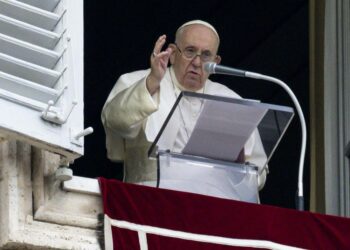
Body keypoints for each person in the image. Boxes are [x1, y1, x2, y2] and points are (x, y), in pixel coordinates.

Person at [101, 20, 268, 200]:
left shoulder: (232, 101)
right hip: (149, 201)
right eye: (190, 51)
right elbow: (115, 121)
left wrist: (238, 169)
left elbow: (259, 173)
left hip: (214, 209)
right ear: (172, 53)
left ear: (216, 62)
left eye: (206, 55)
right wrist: (151, 83)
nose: (197, 62)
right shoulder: (138, 81)